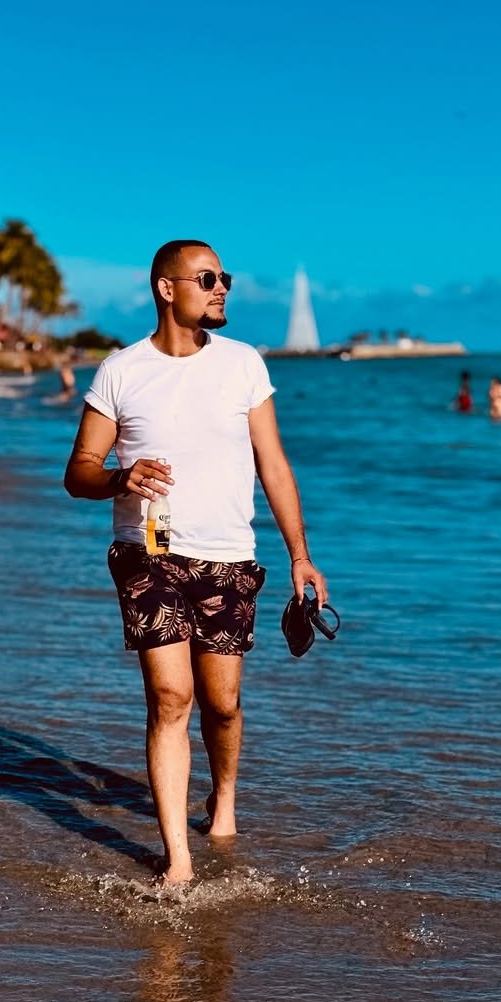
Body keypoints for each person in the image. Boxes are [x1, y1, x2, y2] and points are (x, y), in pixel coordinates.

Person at [63, 239, 328, 885]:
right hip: (147, 552)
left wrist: (301, 556)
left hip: (230, 555)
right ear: (166, 288)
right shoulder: (120, 371)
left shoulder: (243, 365)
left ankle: (224, 800)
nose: (222, 288)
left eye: (225, 278)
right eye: (208, 277)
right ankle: (177, 859)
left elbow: (274, 464)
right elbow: (79, 473)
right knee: (171, 695)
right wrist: (119, 477)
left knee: (223, 702)